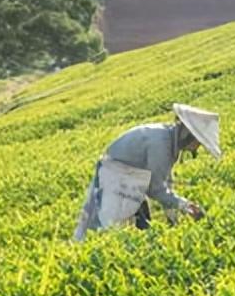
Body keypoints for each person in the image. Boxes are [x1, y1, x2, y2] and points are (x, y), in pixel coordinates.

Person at [72, 104, 220, 242]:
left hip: (130, 178)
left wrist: (173, 218)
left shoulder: (167, 138)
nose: (197, 147)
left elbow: (164, 182)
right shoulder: (161, 145)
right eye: (198, 142)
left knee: (140, 227)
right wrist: (185, 206)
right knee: (103, 232)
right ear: (189, 135)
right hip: (116, 177)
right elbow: (155, 189)